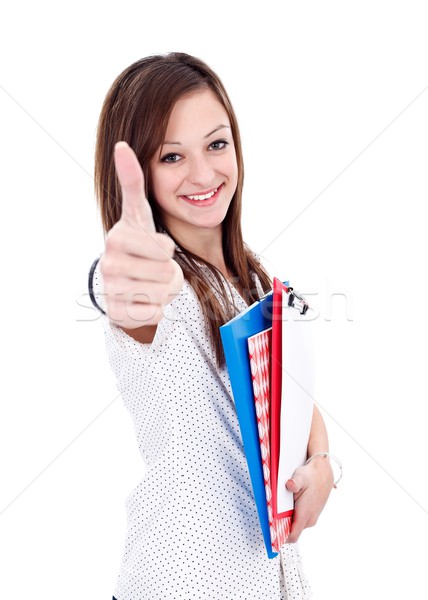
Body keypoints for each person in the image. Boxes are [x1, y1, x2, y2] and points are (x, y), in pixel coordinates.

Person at [88, 52, 335, 600]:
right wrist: (128, 278)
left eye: (216, 144)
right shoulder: (156, 283)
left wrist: (323, 465)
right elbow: (129, 299)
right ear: (141, 173)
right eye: (172, 156)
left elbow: (294, 400)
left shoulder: (251, 277)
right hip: (182, 581)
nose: (203, 174)